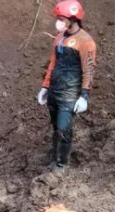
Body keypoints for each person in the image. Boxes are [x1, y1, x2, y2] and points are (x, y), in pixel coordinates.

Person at [36, 0, 96, 173]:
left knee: (63, 128)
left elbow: (89, 70)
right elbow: (52, 64)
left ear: (73, 19)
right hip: (55, 91)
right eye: (58, 18)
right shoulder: (59, 39)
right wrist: (45, 87)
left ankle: (61, 165)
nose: (59, 22)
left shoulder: (86, 42)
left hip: (70, 95)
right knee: (56, 128)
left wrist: (84, 95)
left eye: (62, 18)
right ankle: (54, 158)